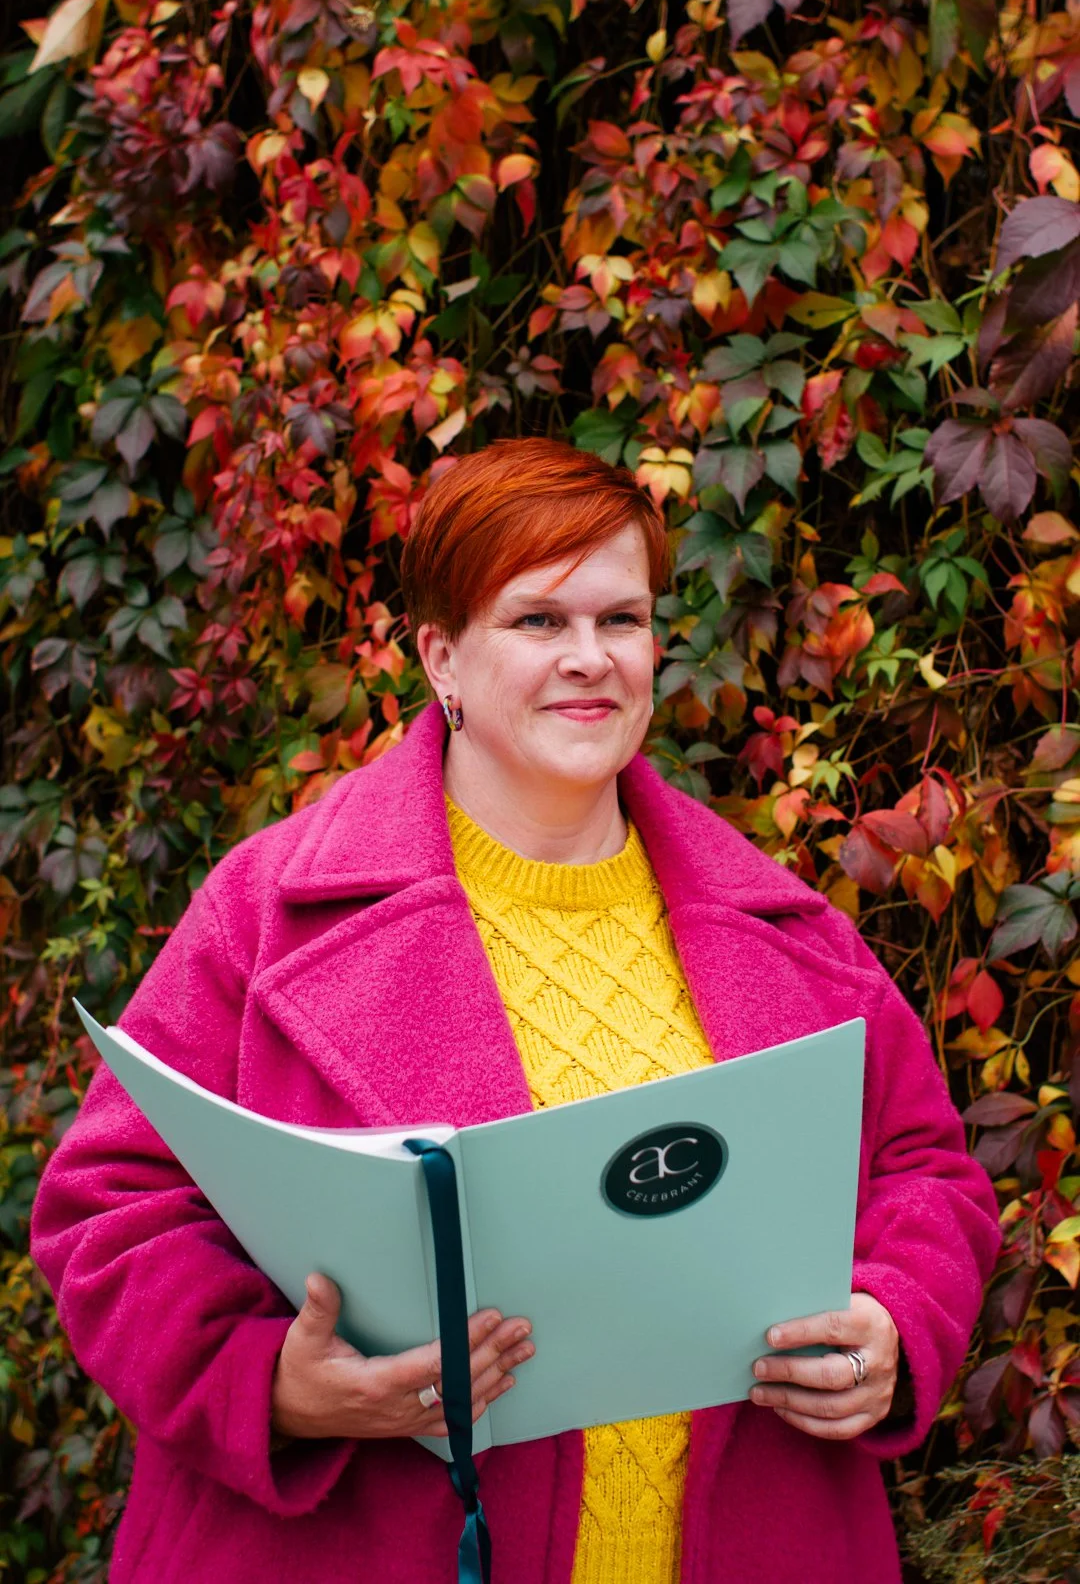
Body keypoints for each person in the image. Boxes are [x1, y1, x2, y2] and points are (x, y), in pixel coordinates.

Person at [30, 436, 1001, 1584]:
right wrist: (271, 1386)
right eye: (538, 622)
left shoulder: (785, 925)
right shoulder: (269, 910)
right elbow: (109, 1207)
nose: (590, 659)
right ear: (441, 655)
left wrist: (893, 1324)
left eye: (622, 620)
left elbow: (927, 1171)